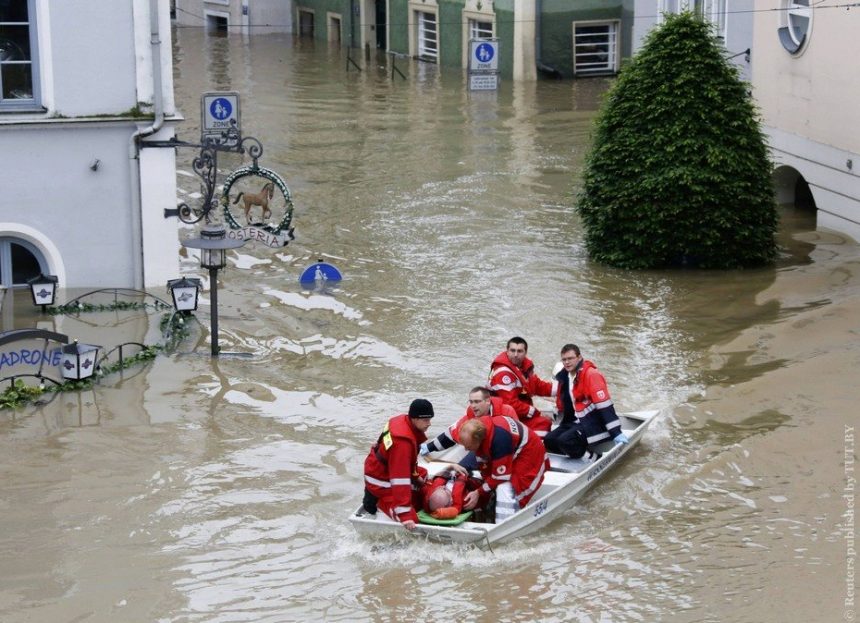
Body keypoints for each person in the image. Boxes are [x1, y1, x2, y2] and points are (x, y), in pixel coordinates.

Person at [458, 414, 550, 523]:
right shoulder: (478, 432)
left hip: (530, 454)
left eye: (468, 446)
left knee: (507, 488)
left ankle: (505, 522)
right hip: (512, 450)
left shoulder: (500, 439)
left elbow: (500, 477)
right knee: (489, 484)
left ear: (478, 440)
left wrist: (479, 492)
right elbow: (487, 469)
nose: (466, 449)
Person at [544, 344, 628, 461]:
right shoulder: (566, 376)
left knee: (565, 440)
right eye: (564, 359)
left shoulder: (591, 375)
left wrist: (615, 432)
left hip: (595, 423)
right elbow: (560, 398)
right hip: (577, 421)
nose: (567, 362)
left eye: (570, 358)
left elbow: (604, 406)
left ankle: (594, 458)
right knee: (549, 440)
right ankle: (576, 452)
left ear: (579, 357)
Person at [362, 398, 435, 530]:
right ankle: (380, 503)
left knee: (422, 474)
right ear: (414, 418)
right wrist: (405, 515)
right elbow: (400, 479)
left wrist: (416, 476)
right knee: (413, 521)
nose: (429, 424)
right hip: (381, 480)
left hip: (379, 468)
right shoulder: (402, 443)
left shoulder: (400, 421)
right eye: (426, 420)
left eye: (430, 419)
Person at [488, 337, 558, 438]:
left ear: (525, 352)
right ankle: (528, 448)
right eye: (512, 351)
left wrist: (563, 388)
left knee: (545, 422)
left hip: (518, 412)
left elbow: (537, 385)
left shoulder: (523, 368)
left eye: (520, 351)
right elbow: (510, 404)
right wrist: (536, 413)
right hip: (503, 416)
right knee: (543, 423)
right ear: (507, 351)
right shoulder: (503, 374)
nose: (516, 355)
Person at [420, 387, 517, 455]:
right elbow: (449, 435)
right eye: (471, 402)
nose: (473, 406)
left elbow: (517, 437)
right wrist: (429, 447)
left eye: (477, 401)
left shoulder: (507, 411)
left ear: (488, 401)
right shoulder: (468, 419)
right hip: (483, 453)